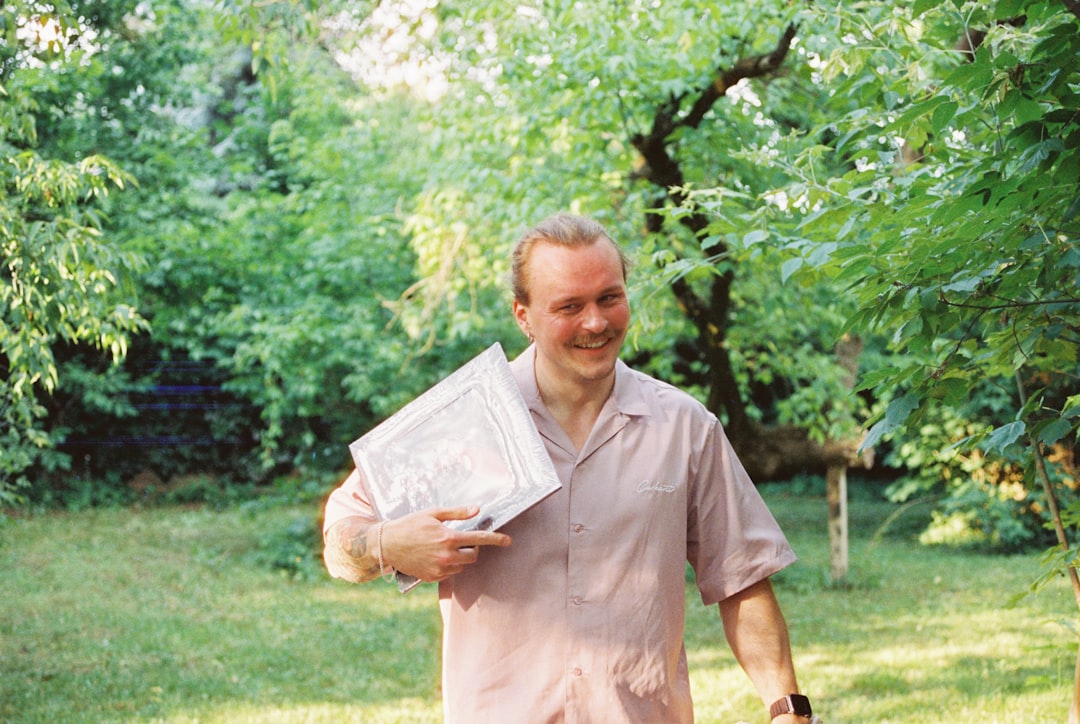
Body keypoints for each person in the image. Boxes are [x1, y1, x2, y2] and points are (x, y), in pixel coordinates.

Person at [323, 213, 817, 723]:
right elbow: (339, 543)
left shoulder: (684, 427)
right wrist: (387, 545)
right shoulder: (464, 422)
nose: (596, 323)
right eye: (569, 306)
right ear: (523, 316)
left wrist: (788, 709)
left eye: (609, 297)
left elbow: (742, 577)